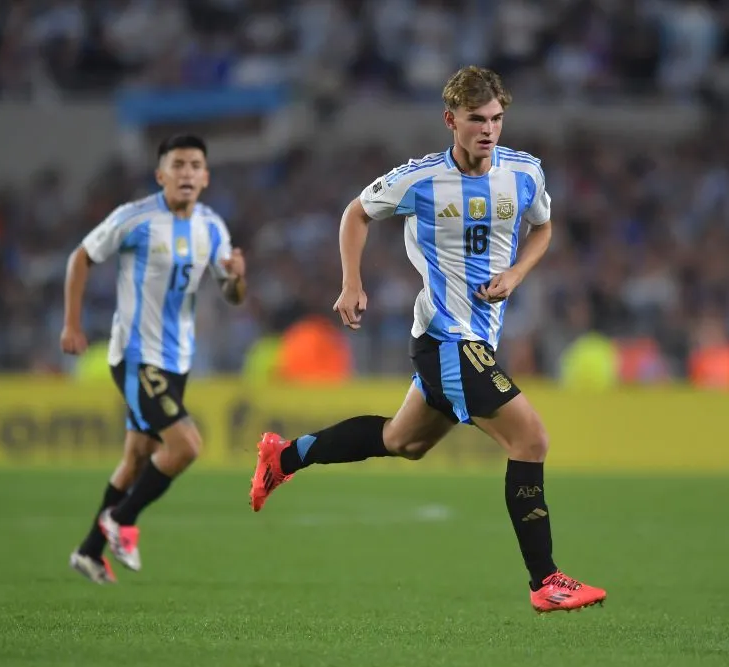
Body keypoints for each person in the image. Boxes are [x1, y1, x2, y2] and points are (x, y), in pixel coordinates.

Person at [249, 66, 606, 613]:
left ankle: (284, 457)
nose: (488, 130)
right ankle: (546, 580)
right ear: (451, 121)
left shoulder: (524, 173)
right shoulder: (420, 180)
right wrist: (351, 282)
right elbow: (356, 213)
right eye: (476, 120)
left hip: (477, 338)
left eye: (496, 119)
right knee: (530, 440)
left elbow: (544, 228)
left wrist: (515, 275)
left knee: (402, 442)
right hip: (445, 337)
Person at [61, 134, 247, 584]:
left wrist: (238, 279)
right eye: (177, 165)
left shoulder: (212, 226)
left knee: (138, 458)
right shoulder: (136, 218)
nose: (186, 173)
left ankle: (89, 552)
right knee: (186, 446)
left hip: (177, 361)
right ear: (160, 174)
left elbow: (232, 295)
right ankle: (121, 520)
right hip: (136, 355)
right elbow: (82, 256)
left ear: (205, 176)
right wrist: (72, 323)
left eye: (194, 165)